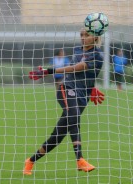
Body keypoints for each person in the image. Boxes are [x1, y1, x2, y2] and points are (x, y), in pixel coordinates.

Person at [25, 28, 105, 175]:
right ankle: (80, 160)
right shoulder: (77, 50)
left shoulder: (98, 55)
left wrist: (91, 88)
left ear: (95, 38)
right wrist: (49, 71)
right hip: (66, 89)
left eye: (86, 35)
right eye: (81, 35)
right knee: (74, 116)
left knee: (57, 137)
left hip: (82, 96)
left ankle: (30, 161)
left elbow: (82, 70)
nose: (82, 37)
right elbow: (75, 69)